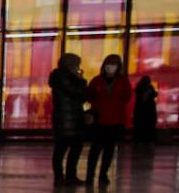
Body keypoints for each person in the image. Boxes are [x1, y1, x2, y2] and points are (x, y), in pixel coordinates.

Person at [85, 54, 131, 185]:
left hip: (115, 121)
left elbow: (126, 98)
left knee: (109, 150)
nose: (110, 67)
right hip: (99, 120)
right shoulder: (96, 81)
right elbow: (89, 96)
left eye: (114, 65)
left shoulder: (123, 82)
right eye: (108, 64)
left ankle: (103, 175)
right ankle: (90, 175)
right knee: (95, 149)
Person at [49, 52, 87, 185]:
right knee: (62, 149)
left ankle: (68, 176)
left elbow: (82, 96)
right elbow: (76, 92)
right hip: (65, 119)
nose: (78, 67)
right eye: (76, 64)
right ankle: (61, 177)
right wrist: (81, 80)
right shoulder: (62, 77)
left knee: (72, 148)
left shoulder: (65, 78)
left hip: (72, 118)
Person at [134, 76, 158, 144]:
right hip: (148, 110)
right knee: (148, 125)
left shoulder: (140, 87)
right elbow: (154, 94)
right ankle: (147, 139)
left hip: (142, 110)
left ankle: (141, 139)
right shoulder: (149, 87)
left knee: (142, 126)